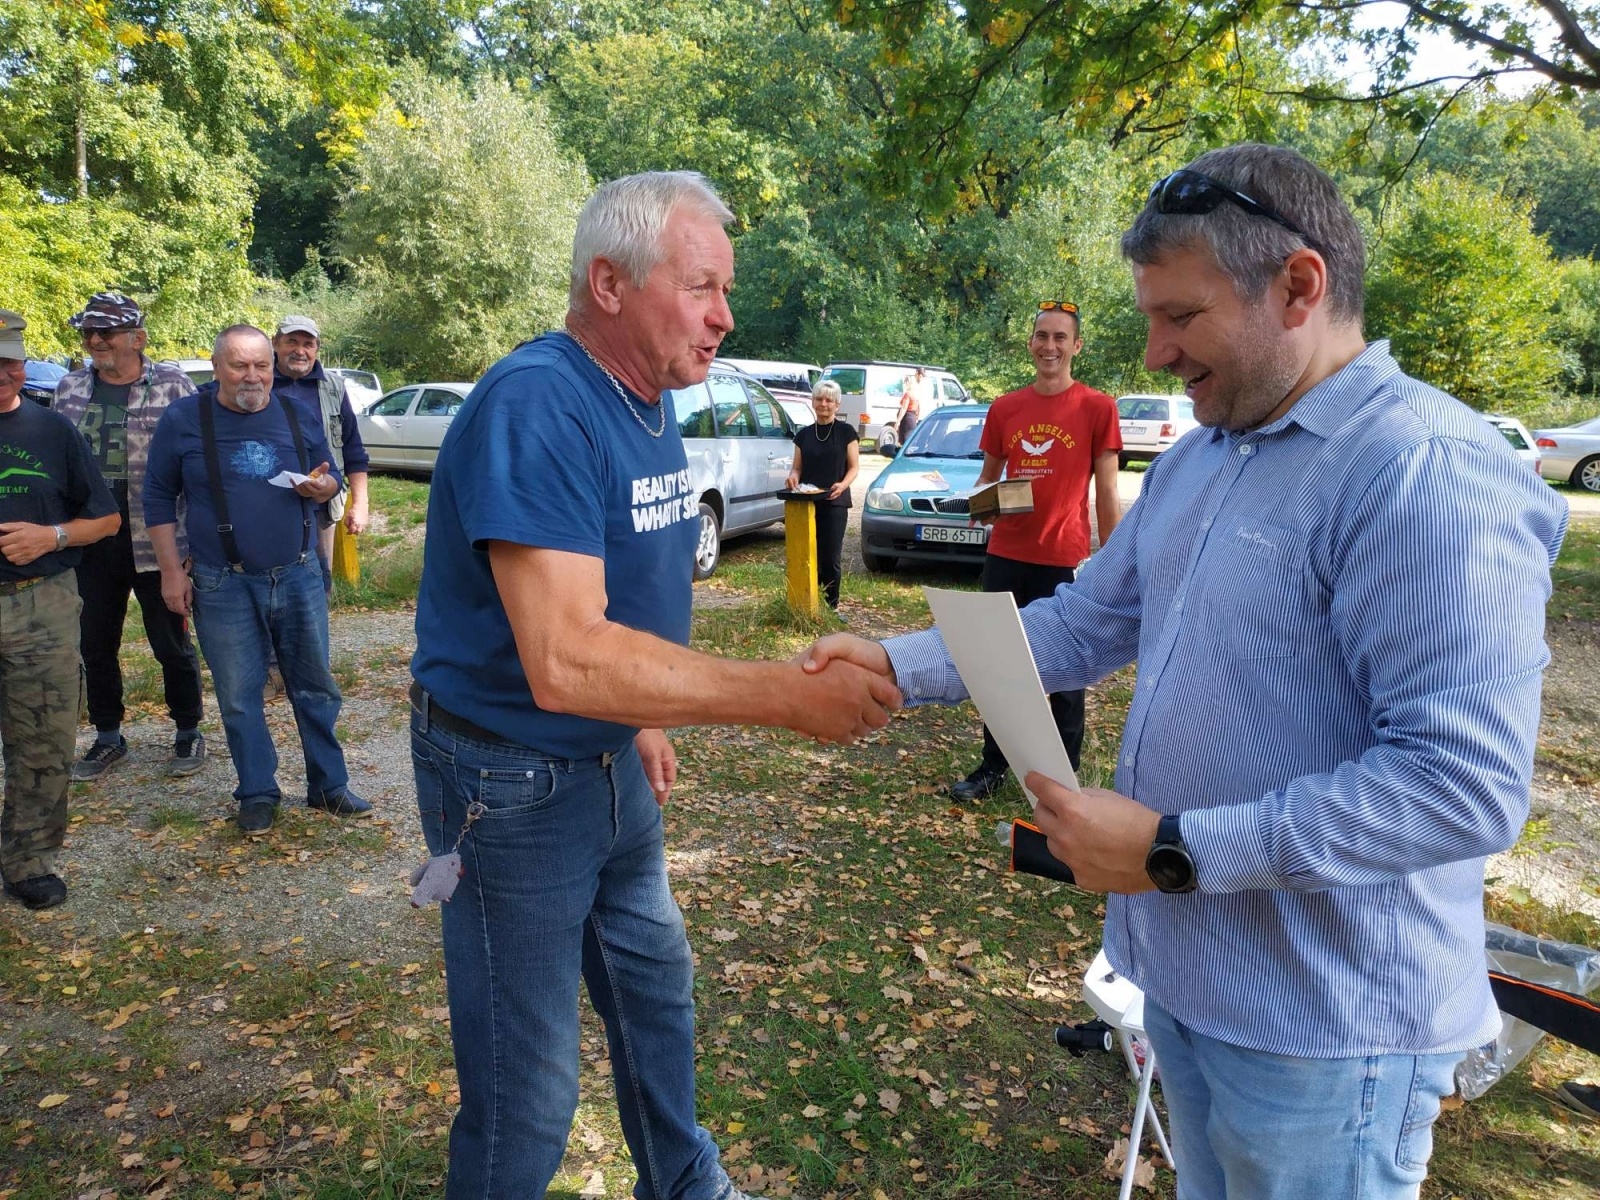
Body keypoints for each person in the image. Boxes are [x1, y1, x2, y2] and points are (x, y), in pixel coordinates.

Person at [804, 143, 1568, 1198]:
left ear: (1298, 286)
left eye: (1181, 316)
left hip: (1325, 1034)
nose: (1155, 354)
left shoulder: (1423, 473)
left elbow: (1460, 787)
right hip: (1184, 983)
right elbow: (1085, 622)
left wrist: (1172, 851)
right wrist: (896, 661)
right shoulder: (1209, 453)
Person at [409, 170, 900, 1199]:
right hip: (512, 785)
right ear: (609, 283)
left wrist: (641, 717)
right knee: (528, 1093)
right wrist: (779, 694)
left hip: (610, 762)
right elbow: (566, 656)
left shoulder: (647, 400)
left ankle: (685, 1183)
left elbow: (614, 597)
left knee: (654, 996)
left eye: (725, 291)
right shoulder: (538, 404)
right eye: (702, 288)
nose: (725, 316)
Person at [144, 325, 371, 835]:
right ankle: (257, 792)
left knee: (315, 687)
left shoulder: (296, 412)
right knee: (240, 694)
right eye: (239, 365)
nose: (253, 376)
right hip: (222, 581)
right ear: (217, 366)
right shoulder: (185, 418)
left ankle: (329, 785)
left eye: (261, 365)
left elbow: (332, 472)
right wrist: (168, 573)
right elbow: (158, 499)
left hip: (298, 574)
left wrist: (322, 487)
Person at [949, 300, 1122, 802]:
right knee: (996, 664)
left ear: (1076, 346)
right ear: (1030, 345)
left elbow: (1107, 492)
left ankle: (1061, 787)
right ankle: (992, 767)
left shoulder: (1097, 407)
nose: (1050, 346)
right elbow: (987, 479)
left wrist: (1112, 558)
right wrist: (981, 505)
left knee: (1066, 673)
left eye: (1060, 337)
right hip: (1007, 554)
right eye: (1041, 336)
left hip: (1063, 559)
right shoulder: (1006, 407)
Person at [52, 292, 207, 780]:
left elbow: (197, 465)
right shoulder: (70, 388)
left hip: (158, 535)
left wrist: (189, 548)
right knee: (95, 642)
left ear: (137, 338)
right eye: (88, 333)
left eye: (107, 333)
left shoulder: (173, 385)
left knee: (171, 641)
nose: (96, 341)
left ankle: (188, 731)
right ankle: (107, 736)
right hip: (92, 536)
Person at [0, 310, 122, 910]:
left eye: (9, 362)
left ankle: (29, 860)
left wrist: (50, 537)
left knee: (43, 740)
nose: (1, 373)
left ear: (23, 367)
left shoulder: (52, 432)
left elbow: (105, 519)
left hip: (40, 603)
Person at [270, 316, 371, 593]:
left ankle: (314, 635)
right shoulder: (260, 380)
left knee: (316, 582)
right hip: (268, 502)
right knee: (270, 580)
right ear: (275, 343)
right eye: (292, 341)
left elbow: (353, 448)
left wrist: (360, 504)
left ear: (316, 349)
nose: (300, 350)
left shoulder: (333, 386)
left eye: (308, 344)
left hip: (320, 506)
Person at [784, 378, 859, 610]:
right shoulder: (804, 435)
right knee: (807, 553)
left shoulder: (846, 432)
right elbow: (797, 468)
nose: (824, 404)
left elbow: (854, 467)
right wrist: (793, 477)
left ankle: (831, 605)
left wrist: (843, 484)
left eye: (829, 400)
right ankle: (808, 601)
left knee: (830, 557)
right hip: (807, 502)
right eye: (819, 399)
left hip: (835, 502)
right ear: (813, 402)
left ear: (837, 405)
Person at [896, 365, 929, 445]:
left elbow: (904, 408)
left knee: (905, 442)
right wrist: (917, 417)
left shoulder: (908, 394)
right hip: (913, 418)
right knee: (910, 441)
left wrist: (898, 421)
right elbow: (918, 406)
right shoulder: (916, 393)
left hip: (907, 419)